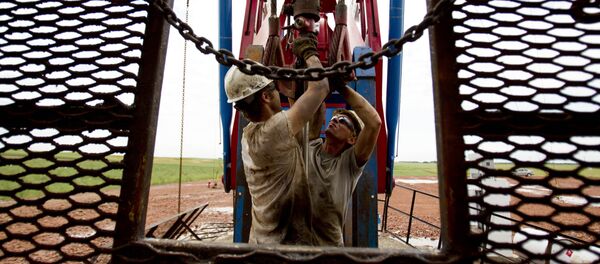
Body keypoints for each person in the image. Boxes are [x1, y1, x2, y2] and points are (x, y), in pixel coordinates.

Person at [223, 34, 329, 245]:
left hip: (260, 244)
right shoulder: (275, 131)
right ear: (265, 96)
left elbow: (299, 123)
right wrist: (308, 52)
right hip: (286, 250)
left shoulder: (249, 135)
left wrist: (293, 91)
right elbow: (320, 87)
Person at [305, 84, 381, 246]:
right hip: (295, 246)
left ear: (353, 139)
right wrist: (324, 82)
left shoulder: (349, 164)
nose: (334, 120)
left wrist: (341, 85)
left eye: (343, 121)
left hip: (328, 250)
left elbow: (374, 123)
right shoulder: (311, 146)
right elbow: (318, 106)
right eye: (333, 119)